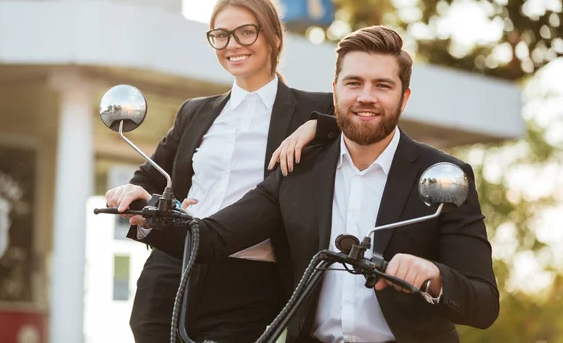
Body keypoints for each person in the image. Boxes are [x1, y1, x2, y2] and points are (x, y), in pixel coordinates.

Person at [131, 25, 500, 343]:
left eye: (382, 85)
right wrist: (149, 217)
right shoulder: (298, 170)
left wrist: (434, 277)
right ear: (334, 91)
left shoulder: (444, 174)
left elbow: (483, 304)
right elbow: (215, 236)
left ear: (404, 98)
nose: (366, 96)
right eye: (353, 83)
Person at [104, 0, 334, 343]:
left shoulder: (311, 109)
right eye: (221, 35)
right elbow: (150, 175)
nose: (232, 45)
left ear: (273, 37)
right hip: (173, 265)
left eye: (246, 31)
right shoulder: (195, 111)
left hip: (249, 278)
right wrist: (135, 193)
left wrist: (319, 125)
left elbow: (365, 119)